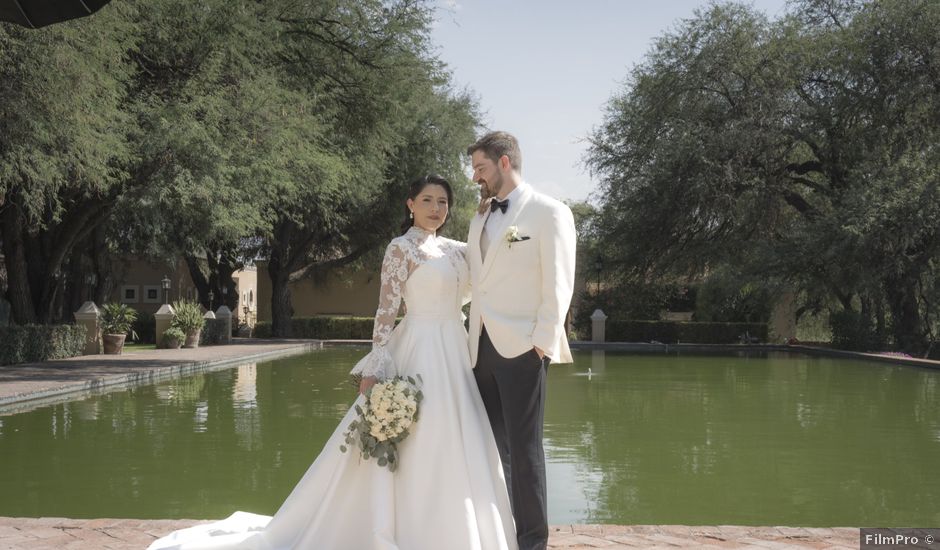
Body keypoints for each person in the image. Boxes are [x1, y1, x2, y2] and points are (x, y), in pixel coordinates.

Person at [148, 175, 517, 550]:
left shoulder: (458, 250)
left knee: (458, 435)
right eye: (427, 200)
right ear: (410, 204)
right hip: (418, 349)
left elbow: (477, 286)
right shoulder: (401, 248)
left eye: (442, 202)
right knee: (415, 434)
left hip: (454, 351)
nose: (435, 209)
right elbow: (385, 311)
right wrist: (375, 365)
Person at [466, 132, 577, 550]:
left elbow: (559, 282)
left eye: (481, 167)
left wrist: (543, 342)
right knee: (494, 450)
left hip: (523, 349)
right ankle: (500, 535)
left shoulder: (550, 212)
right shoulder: (479, 217)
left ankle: (532, 542)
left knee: (525, 453)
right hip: (479, 347)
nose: (476, 176)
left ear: (505, 162)